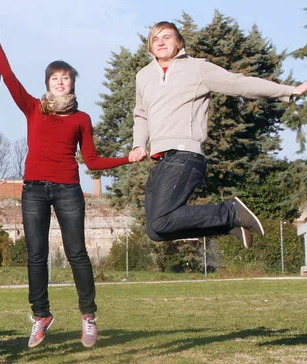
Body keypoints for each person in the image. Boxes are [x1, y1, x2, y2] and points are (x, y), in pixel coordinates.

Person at [0, 22, 133, 349]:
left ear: (72, 84)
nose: (61, 81)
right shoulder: (33, 107)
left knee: (76, 252)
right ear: (48, 84)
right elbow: (8, 78)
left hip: (67, 188)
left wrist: (128, 158)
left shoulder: (81, 119)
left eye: (66, 77)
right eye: (55, 78)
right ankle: (41, 316)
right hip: (34, 189)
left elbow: (92, 161)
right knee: (36, 255)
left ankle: (89, 317)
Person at [129, 21, 307, 248]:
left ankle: (230, 211)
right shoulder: (143, 76)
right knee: (156, 230)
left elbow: (240, 84)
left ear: (179, 42)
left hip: (185, 155)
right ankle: (227, 224)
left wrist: (288, 90)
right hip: (161, 159)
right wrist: (138, 144)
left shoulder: (197, 69)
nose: (161, 42)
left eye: (167, 37)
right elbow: (141, 115)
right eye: (155, 38)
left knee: (163, 220)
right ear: (150, 46)